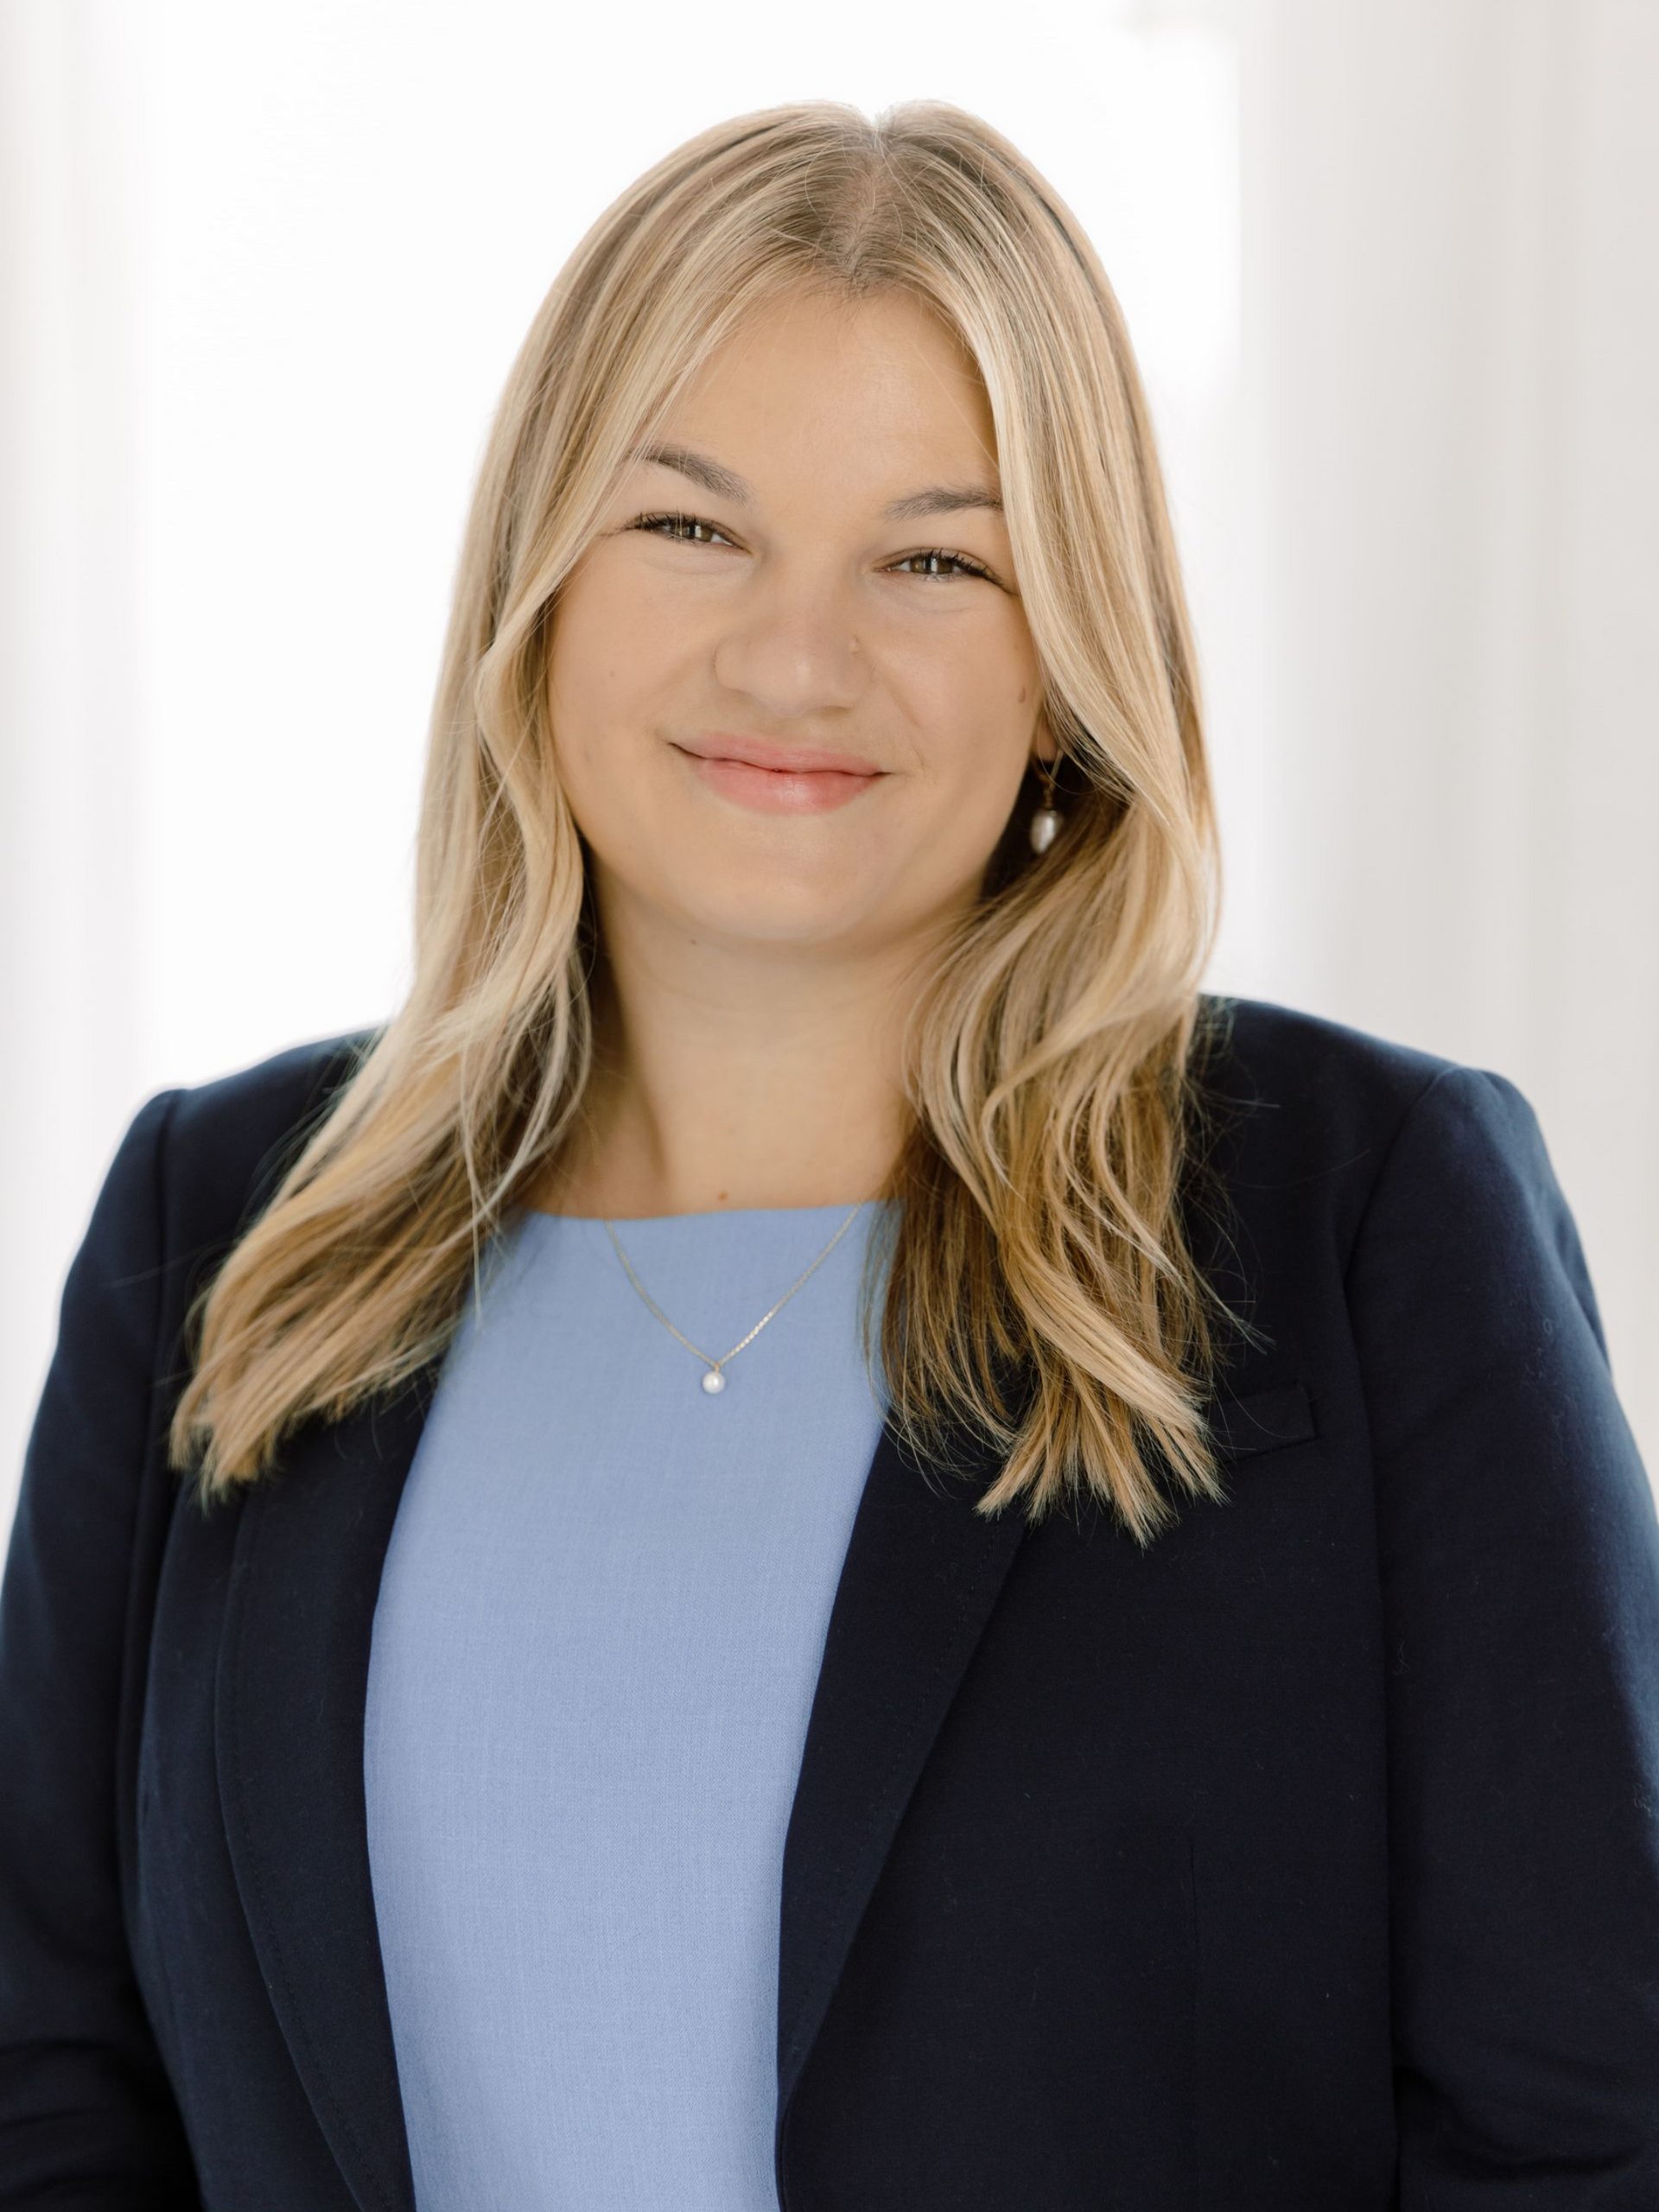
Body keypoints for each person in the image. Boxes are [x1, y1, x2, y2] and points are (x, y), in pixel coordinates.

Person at [3, 98, 1656, 2212]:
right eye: (693, 527)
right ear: (539, 589)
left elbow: (1580, 2118)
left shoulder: (1362, 1214)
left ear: (1069, 661)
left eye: (935, 558)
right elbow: (55, 2080)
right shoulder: (217, 1230)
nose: (799, 655)